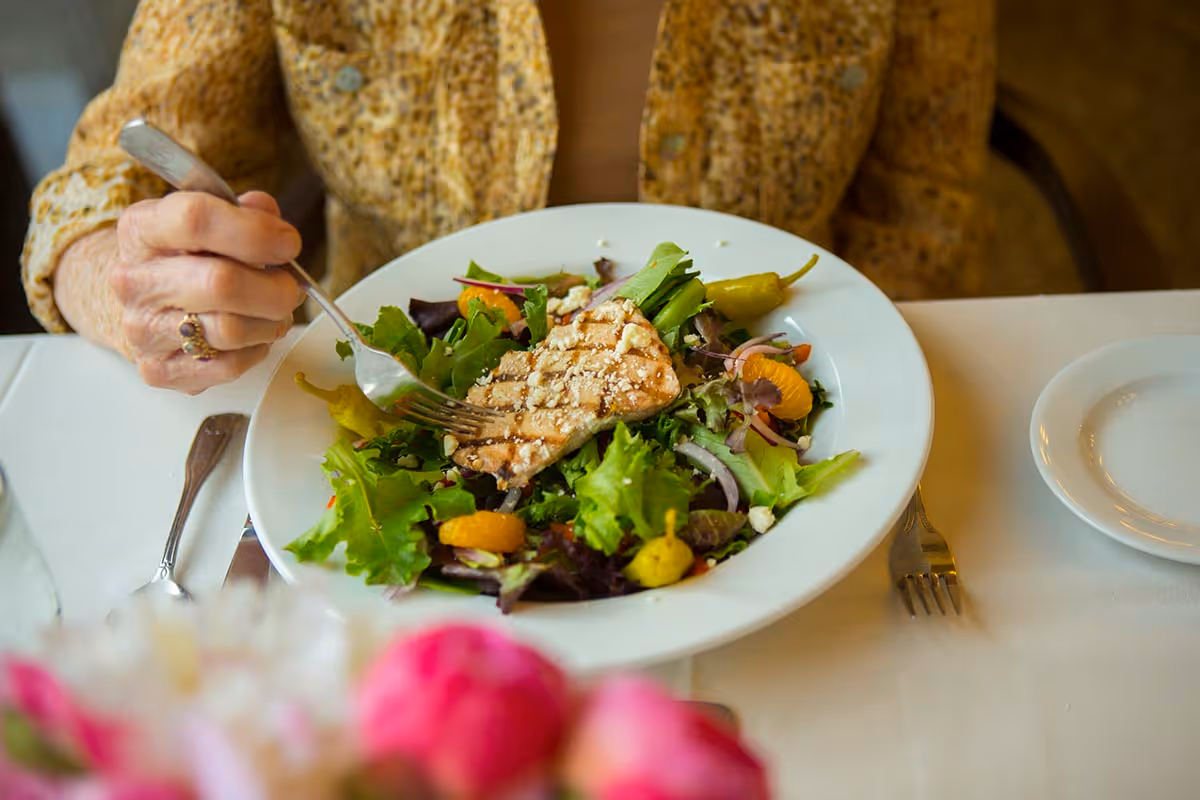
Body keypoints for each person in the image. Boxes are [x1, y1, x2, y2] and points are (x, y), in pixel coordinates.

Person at [20, 0, 995, 394]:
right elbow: (117, 171)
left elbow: (924, 202)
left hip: (777, 384)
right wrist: (121, 277)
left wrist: (851, 397)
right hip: (401, 399)